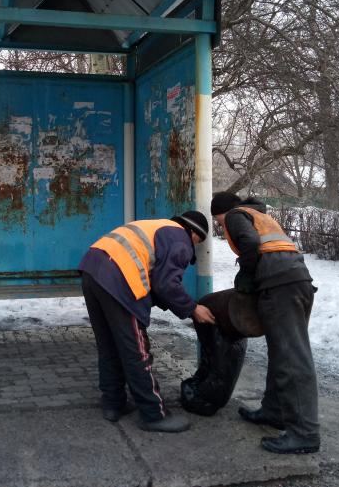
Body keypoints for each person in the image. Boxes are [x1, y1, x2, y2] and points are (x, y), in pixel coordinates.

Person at [79, 211, 216, 433]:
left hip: (92, 270)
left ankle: (113, 403)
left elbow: (157, 280)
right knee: (136, 350)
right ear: (193, 233)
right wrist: (192, 308)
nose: (193, 248)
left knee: (109, 345)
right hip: (119, 278)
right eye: (197, 242)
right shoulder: (180, 238)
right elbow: (167, 284)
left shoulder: (156, 226)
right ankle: (153, 414)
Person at [211, 191, 320, 454]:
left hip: (281, 287)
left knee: (293, 359)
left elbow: (249, 244)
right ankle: (274, 411)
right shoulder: (259, 215)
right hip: (294, 282)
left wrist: (246, 275)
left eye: (218, 220)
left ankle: (305, 434)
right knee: (281, 353)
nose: (220, 225)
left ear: (223, 212)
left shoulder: (236, 216)